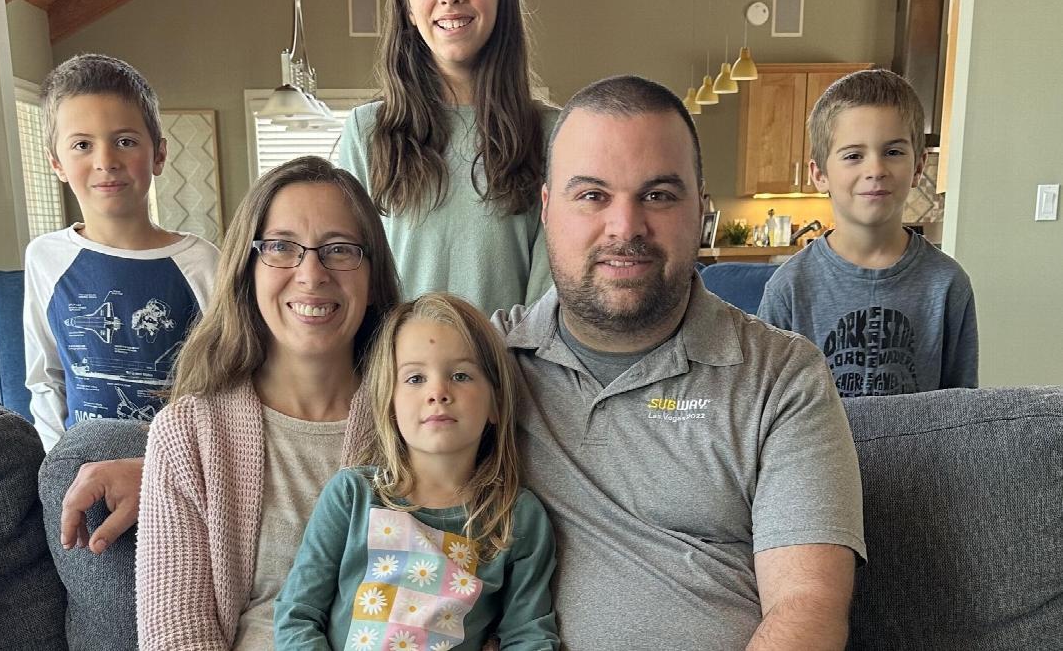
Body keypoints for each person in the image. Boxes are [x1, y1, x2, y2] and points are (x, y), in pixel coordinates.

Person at [494, 75, 865, 649]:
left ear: (700, 207)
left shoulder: (783, 376)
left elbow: (807, 607)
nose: (625, 228)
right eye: (592, 195)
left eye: (659, 195)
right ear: (547, 209)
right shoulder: (483, 363)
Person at [135, 157, 401, 650]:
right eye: (281, 247)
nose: (312, 274)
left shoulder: (419, 417)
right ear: (248, 270)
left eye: (339, 249)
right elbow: (176, 637)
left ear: (372, 277)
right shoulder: (188, 434)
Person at [275, 293, 558, 651]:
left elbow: (529, 635)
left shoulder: (517, 517)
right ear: (389, 404)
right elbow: (297, 616)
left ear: (496, 404)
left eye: (460, 375)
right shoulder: (352, 495)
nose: (437, 392)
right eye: (415, 378)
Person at [23, 53, 219, 552]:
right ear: (56, 162)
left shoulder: (203, 262)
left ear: (158, 154)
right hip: (80, 478)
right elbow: (46, 376)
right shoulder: (45, 258)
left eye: (125, 141)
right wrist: (56, 468)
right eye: (82, 145)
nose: (105, 160)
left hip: (181, 479)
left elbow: (227, 383)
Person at [339, 0, 556, 316]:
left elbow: (548, 300)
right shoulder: (366, 131)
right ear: (406, 4)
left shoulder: (552, 134)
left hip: (510, 359)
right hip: (393, 359)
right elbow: (351, 279)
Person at [758, 68, 978, 395]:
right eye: (853, 156)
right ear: (819, 175)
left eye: (893, 152)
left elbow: (965, 406)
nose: (875, 169)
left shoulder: (948, 284)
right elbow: (764, 402)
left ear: (918, 167)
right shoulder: (788, 288)